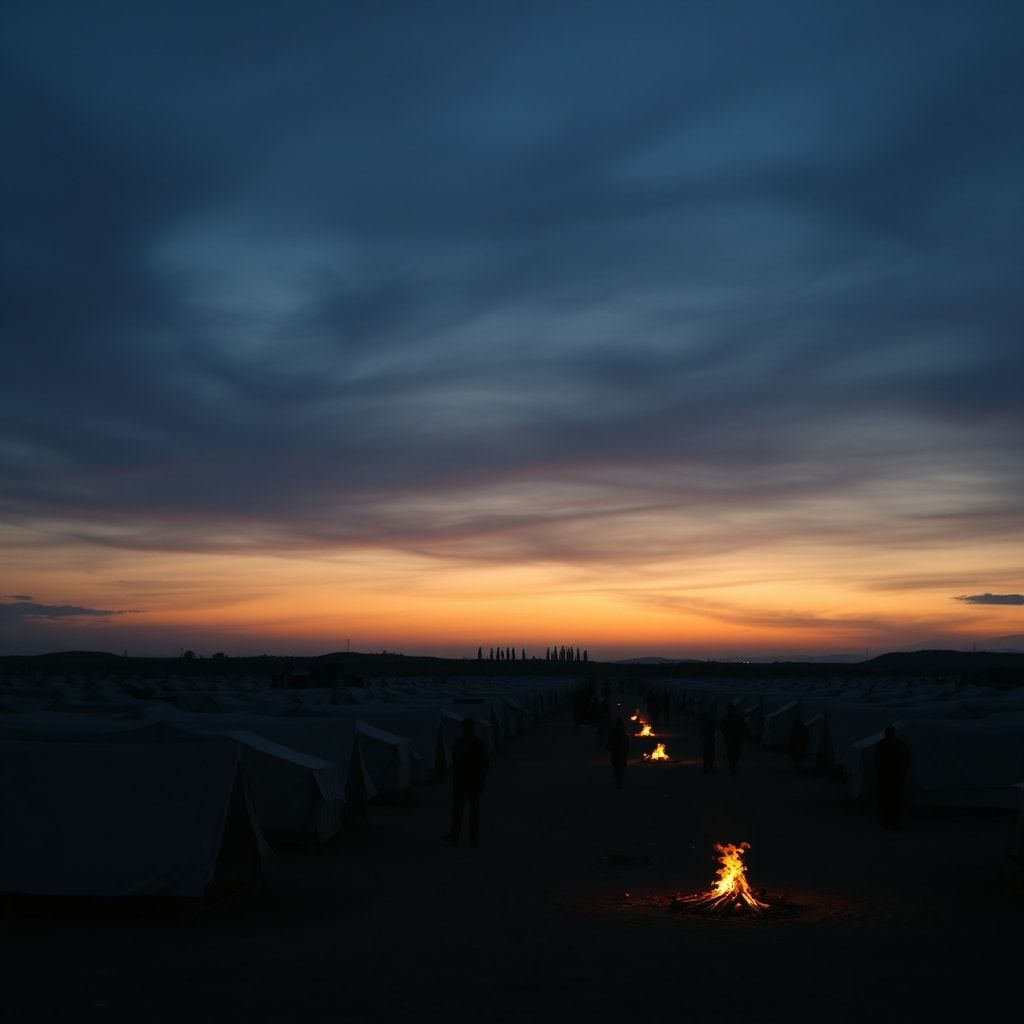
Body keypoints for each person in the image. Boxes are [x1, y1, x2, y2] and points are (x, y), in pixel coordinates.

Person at [443, 717, 490, 847]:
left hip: (461, 782)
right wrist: (482, 780)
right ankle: (473, 838)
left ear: (463, 728)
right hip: (475, 781)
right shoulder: (478, 743)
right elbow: (485, 763)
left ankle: (455, 835)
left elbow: (454, 760)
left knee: (458, 809)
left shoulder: (458, 742)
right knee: (474, 810)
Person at [874, 725, 911, 830]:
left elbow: (876, 762)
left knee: (885, 801)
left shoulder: (881, 745)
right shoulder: (900, 745)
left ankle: (886, 822)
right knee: (895, 801)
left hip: (885, 779)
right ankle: (893, 822)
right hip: (896, 779)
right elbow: (908, 761)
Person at [719, 703, 747, 777]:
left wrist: (742, 736)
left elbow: (743, 727)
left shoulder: (736, 718)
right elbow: (722, 728)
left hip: (735, 739)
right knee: (732, 753)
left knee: (735, 753)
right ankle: (732, 766)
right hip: (730, 739)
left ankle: (733, 766)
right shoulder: (727, 718)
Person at [606, 716, 630, 790]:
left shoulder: (612, 733)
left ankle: (618, 781)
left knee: (616, 768)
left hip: (615, 754)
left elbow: (609, 744)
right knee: (621, 769)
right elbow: (627, 745)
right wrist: (626, 751)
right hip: (622, 754)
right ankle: (619, 782)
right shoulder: (624, 734)